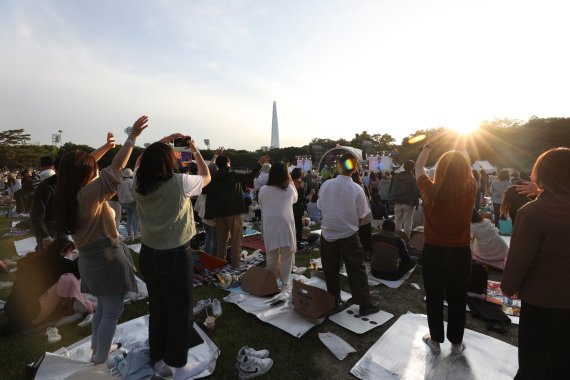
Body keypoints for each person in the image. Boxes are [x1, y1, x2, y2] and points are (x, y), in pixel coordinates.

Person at [53, 116, 147, 364]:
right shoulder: (90, 194)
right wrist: (132, 137)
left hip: (89, 260)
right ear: (86, 173)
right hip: (107, 258)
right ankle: (100, 359)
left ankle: (97, 349)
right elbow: (116, 167)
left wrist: (105, 147)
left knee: (104, 309)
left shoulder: (68, 193)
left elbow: (80, 167)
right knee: (111, 312)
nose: (96, 167)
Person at [135, 134, 211, 379]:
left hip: (147, 252)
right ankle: (179, 366)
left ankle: (158, 360)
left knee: (158, 309)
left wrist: (163, 141)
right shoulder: (180, 182)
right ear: (170, 160)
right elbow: (207, 177)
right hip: (174, 254)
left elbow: (139, 160)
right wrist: (195, 151)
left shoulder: (138, 180)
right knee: (180, 311)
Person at [501, 147, 570, 379]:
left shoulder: (533, 212)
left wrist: (508, 288)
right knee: (562, 360)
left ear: (540, 174)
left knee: (533, 362)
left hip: (542, 301)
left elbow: (519, 260)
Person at [415, 143, 477, 355]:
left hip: (434, 252)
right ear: (466, 170)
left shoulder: (429, 190)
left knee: (434, 297)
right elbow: (466, 164)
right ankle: (457, 343)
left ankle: (435, 340)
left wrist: (427, 147)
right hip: (460, 253)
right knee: (458, 298)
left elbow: (418, 168)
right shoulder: (471, 188)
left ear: (439, 170)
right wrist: (461, 147)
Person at [31, 133, 118, 250]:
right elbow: (36, 215)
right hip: (49, 225)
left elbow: (88, 161)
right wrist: (44, 236)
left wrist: (106, 147)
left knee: (66, 252)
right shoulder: (46, 187)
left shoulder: (72, 182)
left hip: (65, 223)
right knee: (46, 256)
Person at [317, 152, 380, 316]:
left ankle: (333, 301)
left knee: (330, 269)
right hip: (348, 233)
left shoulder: (325, 185)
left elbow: (321, 207)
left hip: (328, 233)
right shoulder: (356, 189)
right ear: (355, 169)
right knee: (356, 269)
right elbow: (362, 216)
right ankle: (364, 303)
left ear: (338, 166)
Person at [2, 237, 89, 334]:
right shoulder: (58, 261)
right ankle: (70, 311)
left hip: (12, 309)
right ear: (65, 251)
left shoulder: (36, 257)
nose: (71, 254)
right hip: (32, 314)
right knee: (66, 280)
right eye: (70, 252)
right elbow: (77, 271)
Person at [203, 153, 269, 268]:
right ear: (228, 163)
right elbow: (250, 177)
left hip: (219, 214)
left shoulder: (213, 177)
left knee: (221, 242)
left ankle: (219, 266)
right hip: (234, 213)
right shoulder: (232, 175)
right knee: (236, 241)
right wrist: (259, 164)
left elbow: (204, 190)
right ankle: (235, 265)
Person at [258, 162, 297, 288]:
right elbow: (295, 199)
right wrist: (290, 180)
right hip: (285, 227)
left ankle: (272, 283)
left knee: (271, 256)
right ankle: (284, 283)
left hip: (270, 226)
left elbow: (261, 205)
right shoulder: (289, 190)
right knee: (286, 257)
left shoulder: (263, 190)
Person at [389, 160, 420, 238]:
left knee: (397, 222)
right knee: (408, 223)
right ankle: (406, 240)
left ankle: (396, 239)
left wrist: (391, 200)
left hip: (397, 201)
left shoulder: (396, 177)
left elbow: (391, 189)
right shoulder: (413, 178)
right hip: (409, 203)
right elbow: (417, 191)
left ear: (403, 166)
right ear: (413, 168)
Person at [118, 168, 139, 242]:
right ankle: (136, 234)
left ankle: (130, 234)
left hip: (124, 203)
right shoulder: (131, 182)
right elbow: (134, 192)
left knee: (129, 218)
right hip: (132, 202)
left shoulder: (120, 183)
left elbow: (119, 193)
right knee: (136, 217)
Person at [291, 168, 305, 249]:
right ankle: (298, 244)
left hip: (290, 207)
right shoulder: (299, 184)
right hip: (298, 208)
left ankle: (292, 242)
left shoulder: (290, 183)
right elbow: (302, 199)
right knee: (299, 226)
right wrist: (311, 193)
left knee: (292, 226)